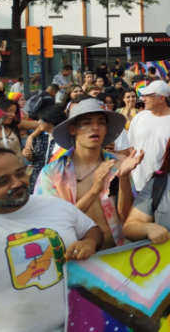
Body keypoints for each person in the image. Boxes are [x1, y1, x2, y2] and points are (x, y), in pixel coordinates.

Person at [0, 147, 102, 332]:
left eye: (20, 173)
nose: (17, 183)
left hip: (79, 325)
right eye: (3, 181)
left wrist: (90, 242)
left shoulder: (55, 205)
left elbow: (91, 229)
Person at [34, 98, 143, 249]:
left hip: (119, 253)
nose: (95, 128)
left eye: (101, 122)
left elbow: (127, 217)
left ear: (106, 129)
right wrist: (94, 191)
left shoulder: (118, 164)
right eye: (86, 123)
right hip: (78, 257)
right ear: (73, 129)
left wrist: (124, 178)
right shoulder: (52, 173)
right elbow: (53, 226)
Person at [128, 81, 170, 189]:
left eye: (148, 96)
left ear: (161, 98)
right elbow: (131, 146)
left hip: (167, 185)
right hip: (138, 184)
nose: (143, 99)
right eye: (144, 96)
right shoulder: (139, 117)